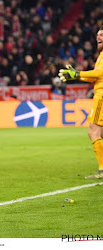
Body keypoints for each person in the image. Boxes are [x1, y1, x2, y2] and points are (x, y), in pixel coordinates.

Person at [59, 28, 103, 179]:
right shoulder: (100, 56)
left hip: (102, 96)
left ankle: (102, 170)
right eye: (97, 35)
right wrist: (75, 77)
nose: (98, 37)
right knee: (100, 132)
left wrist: (77, 74)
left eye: (102, 35)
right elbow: (94, 77)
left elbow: (98, 74)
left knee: (93, 131)